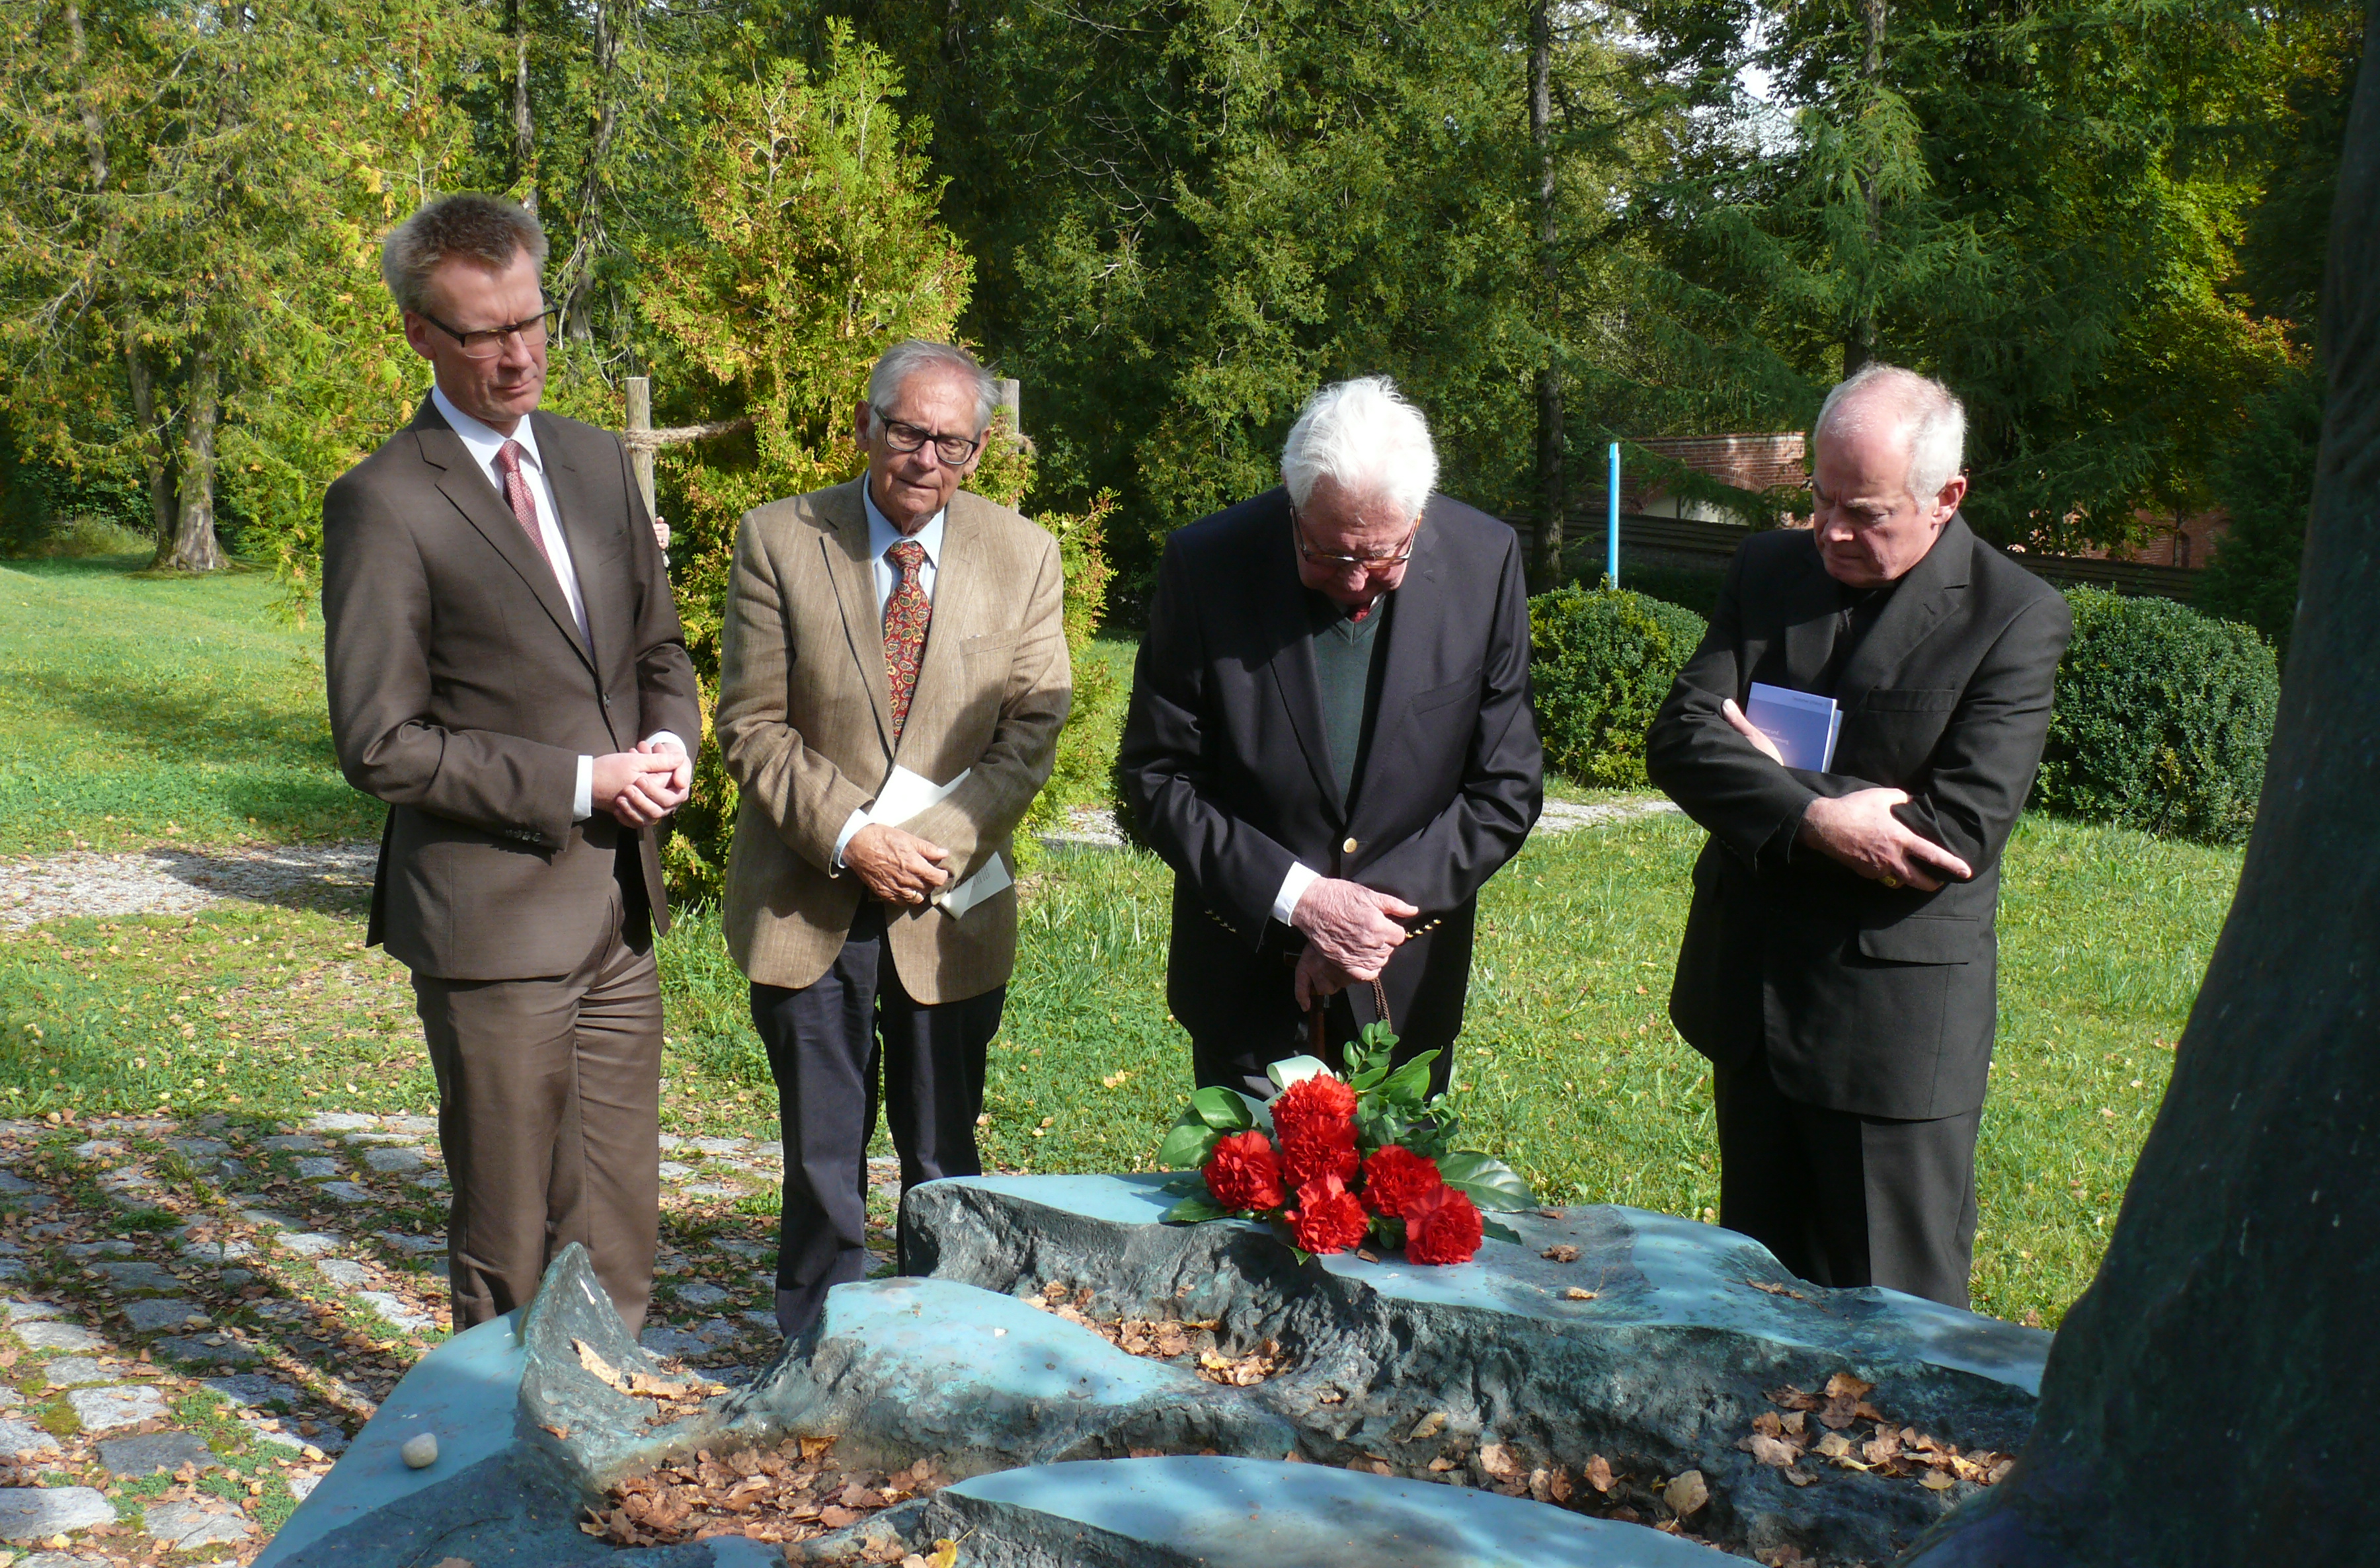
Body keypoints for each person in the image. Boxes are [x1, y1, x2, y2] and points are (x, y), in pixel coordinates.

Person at [321, 194, 701, 1334]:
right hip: (491, 929)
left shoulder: (589, 462)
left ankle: (604, 1439)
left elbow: (658, 647)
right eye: (484, 333)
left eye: (532, 321)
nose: (518, 354)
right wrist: (583, 782)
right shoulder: (383, 502)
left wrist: (673, 737)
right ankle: (498, 1466)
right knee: (507, 1236)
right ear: (421, 335)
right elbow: (381, 743)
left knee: (619, 1220)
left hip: (617, 915)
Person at [1645, 363, 2072, 1309]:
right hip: (1751, 997)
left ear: (1946, 498)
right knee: (1754, 1302)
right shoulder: (1768, 569)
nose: (1832, 530)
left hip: (1889, 1031)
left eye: (1865, 511)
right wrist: (1817, 813)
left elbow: (1950, 836)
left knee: (1898, 1325)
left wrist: (1764, 779)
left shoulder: (2014, 617)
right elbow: (1679, 738)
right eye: (1821, 498)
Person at [714, 340, 1070, 1338]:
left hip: (949, 902)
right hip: (809, 893)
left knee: (943, 1149)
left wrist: (939, 840)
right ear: (867, 426)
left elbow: (1033, 728)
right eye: (907, 431)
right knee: (823, 1156)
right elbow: (751, 723)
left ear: (979, 449)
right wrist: (854, 837)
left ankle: (944, 1345)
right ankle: (817, 1354)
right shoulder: (780, 538)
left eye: (950, 442)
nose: (925, 458)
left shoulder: (1022, 553)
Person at [1117, 376, 1542, 1095]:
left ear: (1419, 518)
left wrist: (1364, 923)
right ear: (1294, 502)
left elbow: (1506, 785)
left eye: (1382, 557)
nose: (1356, 583)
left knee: (1400, 1207)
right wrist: (1302, 901)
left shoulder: (1484, 560)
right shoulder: (1208, 565)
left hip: (1405, 993)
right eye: (1328, 555)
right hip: (1247, 991)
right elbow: (1158, 775)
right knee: (1247, 1208)